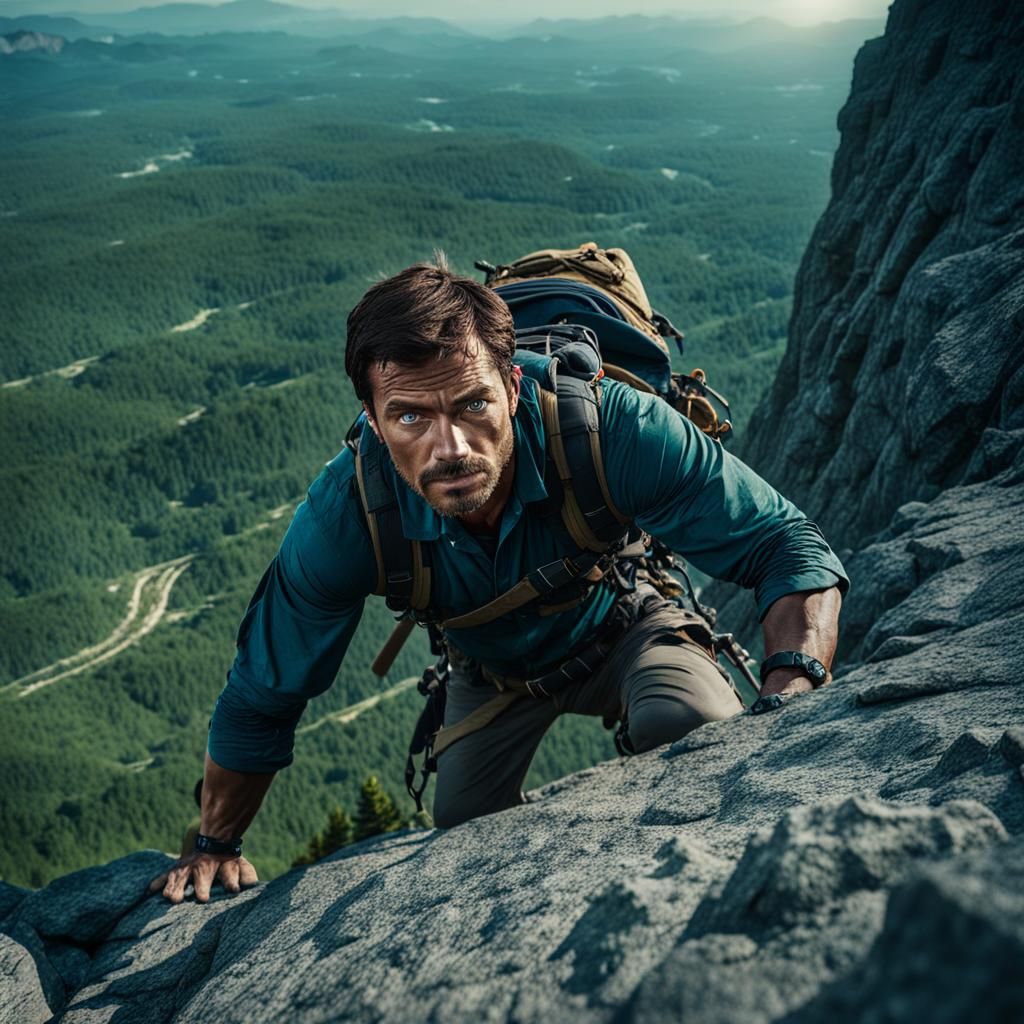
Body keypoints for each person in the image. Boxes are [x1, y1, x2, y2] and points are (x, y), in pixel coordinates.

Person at [150, 256, 848, 904]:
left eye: (472, 405)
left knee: (693, 726)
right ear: (373, 421)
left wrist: (787, 708)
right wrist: (214, 844)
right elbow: (264, 688)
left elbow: (788, 546)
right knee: (462, 826)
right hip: (488, 670)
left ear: (513, 387)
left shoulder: (612, 428)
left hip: (623, 621)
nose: (448, 448)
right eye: (410, 417)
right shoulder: (348, 513)